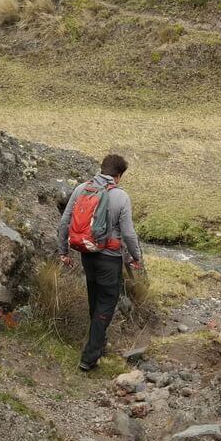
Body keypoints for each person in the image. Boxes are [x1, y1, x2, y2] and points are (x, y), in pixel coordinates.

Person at [58, 153, 143, 371]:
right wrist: (136, 256)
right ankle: (89, 356)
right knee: (107, 302)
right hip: (110, 258)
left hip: (86, 253)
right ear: (119, 175)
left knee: (95, 300)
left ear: (101, 168)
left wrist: (63, 251)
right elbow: (129, 234)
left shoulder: (81, 189)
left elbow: (65, 222)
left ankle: (99, 343)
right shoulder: (121, 196)